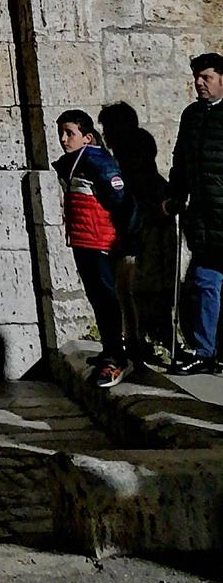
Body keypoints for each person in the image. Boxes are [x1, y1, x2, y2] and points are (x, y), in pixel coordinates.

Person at [54, 110, 133, 388]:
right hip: (83, 240)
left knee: (107, 297)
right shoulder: (75, 162)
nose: (64, 139)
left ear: (87, 137)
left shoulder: (97, 161)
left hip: (100, 240)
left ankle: (117, 358)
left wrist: (127, 240)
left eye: (70, 133)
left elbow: (121, 201)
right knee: (98, 298)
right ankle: (110, 349)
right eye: (61, 133)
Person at [165, 52, 223, 376]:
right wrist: (175, 197)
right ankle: (205, 352)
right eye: (197, 78)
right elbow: (181, 162)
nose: (199, 83)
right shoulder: (191, 116)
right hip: (203, 219)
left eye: (207, 77)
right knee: (204, 283)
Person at [97, 101, 165, 367]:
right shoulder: (126, 160)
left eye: (108, 128)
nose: (106, 136)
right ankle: (136, 340)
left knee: (130, 289)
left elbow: (130, 201)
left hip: (133, 233)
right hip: (132, 232)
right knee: (129, 290)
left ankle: (137, 340)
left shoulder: (127, 163)